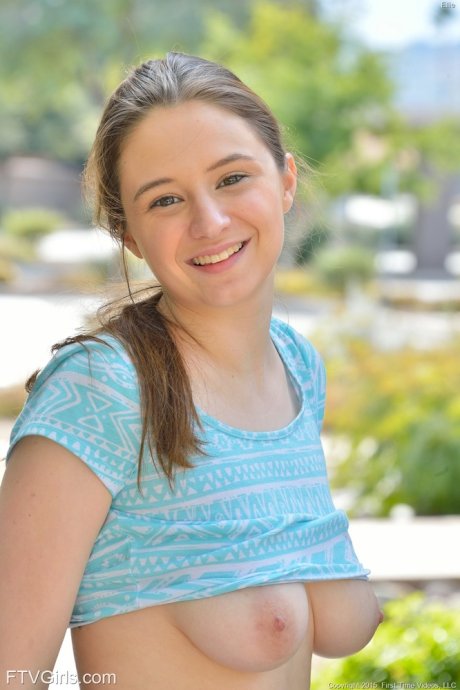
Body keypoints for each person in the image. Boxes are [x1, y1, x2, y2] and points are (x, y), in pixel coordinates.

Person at [0, 52, 382, 690]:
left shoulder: (296, 369)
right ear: (128, 234)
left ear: (286, 181)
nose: (210, 222)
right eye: (166, 199)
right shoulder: (101, 391)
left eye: (232, 178)